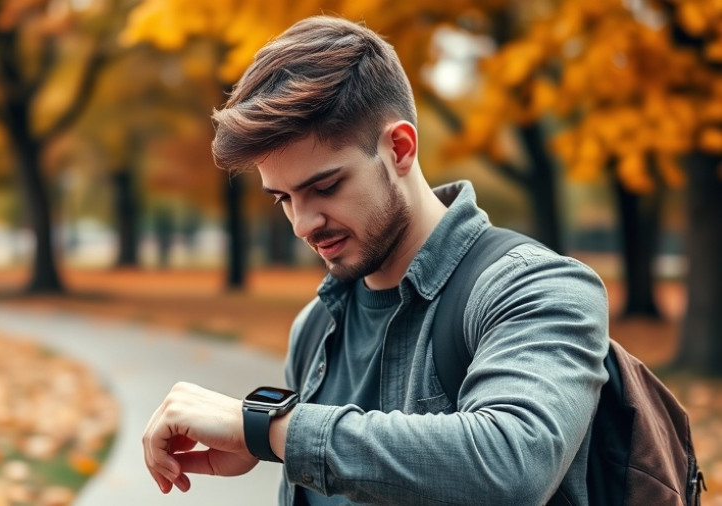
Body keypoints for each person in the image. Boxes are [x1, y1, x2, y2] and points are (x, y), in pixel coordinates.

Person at [142, 15, 609, 506]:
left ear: (400, 148)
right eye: (282, 198)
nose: (302, 224)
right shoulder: (315, 327)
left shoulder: (534, 287)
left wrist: (268, 429)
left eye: (324, 187)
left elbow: (514, 464)